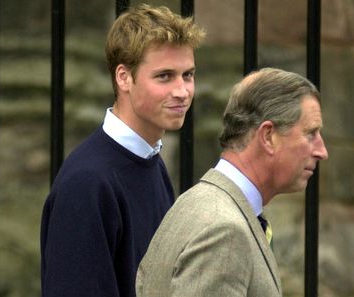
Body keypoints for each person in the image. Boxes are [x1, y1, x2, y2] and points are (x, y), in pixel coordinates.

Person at [40, 4, 205, 297]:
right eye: (164, 76)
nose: (182, 91)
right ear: (123, 77)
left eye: (188, 75)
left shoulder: (150, 161)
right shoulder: (88, 183)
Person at [136, 67, 329, 297]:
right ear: (268, 136)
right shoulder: (224, 230)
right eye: (310, 133)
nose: (322, 151)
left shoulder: (201, 203)